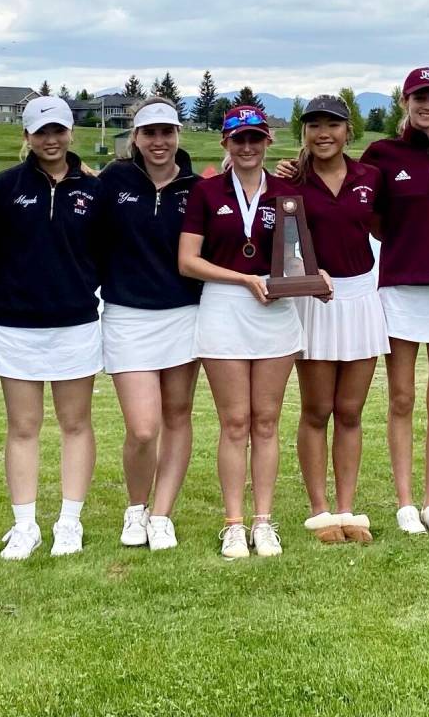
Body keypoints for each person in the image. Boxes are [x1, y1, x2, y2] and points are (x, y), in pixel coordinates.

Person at [178, 105, 328, 559]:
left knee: (266, 422)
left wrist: (314, 283)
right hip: (224, 308)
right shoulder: (206, 193)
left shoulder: (285, 193)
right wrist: (242, 279)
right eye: (238, 139)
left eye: (255, 139)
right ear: (225, 144)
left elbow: (298, 259)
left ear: (268, 142)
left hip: (275, 312)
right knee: (234, 422)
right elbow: (188, 261)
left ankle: (263, 521)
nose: (247, 147)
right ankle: (233, 522)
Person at [0, 96, 104, 560]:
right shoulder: (4, 187)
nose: (50, 140)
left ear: (70, 132)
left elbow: (105, 253)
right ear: (26, 137)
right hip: (15, 325)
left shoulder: (94, 190)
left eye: (58, 131)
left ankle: (69, 523)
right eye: (40, 132)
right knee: (23, 427)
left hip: (75, 322)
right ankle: (25, 525)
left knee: (76, 424)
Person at [360, 67, 429, 537]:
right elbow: (359, 205)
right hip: (400, 287)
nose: (427, 104)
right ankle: (405, 503)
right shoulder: (382, 153)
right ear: (405, 100)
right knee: (402, 399)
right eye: (419, 96)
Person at [98, 97, 202, 551]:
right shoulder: (112, 180)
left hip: (184, 314)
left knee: (178, 416)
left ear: (178, 136)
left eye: (167, 133)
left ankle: (161, 514)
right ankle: (135, 508)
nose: (159, 142)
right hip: (126, 315)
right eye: (149, 133)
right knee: (143, 427)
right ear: (135, 139)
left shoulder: (198, 188)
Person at [286, 95, 389, 543]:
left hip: (362, 295)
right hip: (314, 300)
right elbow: (281, 245)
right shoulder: (290, 181)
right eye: (314, 125)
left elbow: (389, 229)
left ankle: (347, 508)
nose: (323, 133)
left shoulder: (371, 177)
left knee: (350, 411)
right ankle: (320, 511)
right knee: (316, 410)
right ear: (304, 133)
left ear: (349, 131)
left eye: (333, 125)